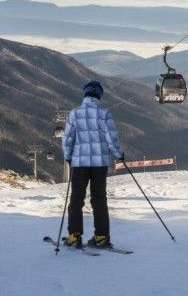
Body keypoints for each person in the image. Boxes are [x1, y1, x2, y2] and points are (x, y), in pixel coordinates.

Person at [62, 80, 125, 249]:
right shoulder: (105, 114)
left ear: (85, 94)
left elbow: (67, 139)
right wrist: (119, 155)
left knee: (76, 198)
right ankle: (101, 237)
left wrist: (68, 156)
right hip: (100, 164)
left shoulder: (74, 113)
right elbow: (111, 139)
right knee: (99, 199)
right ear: (99, 95)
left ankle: (74, 236)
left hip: (79, 163)